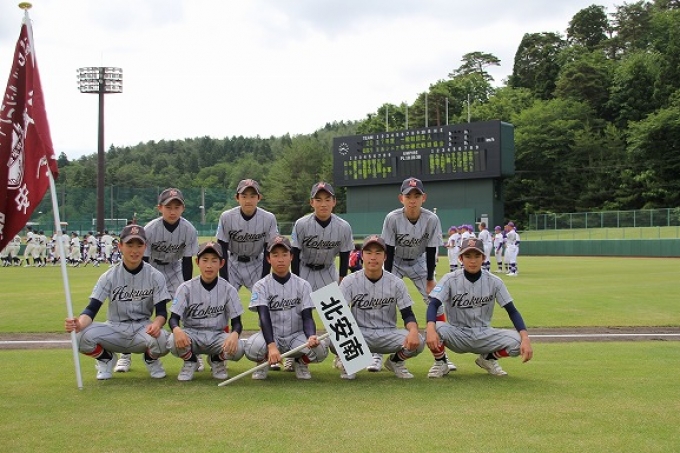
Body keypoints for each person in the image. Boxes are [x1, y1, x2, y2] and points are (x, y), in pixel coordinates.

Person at [63, 224, 171, 380]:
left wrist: (157, 324)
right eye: (129, 245)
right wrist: (79, 324)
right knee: (79, 337)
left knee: (163, 340)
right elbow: (92, 309)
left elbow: (161, 312)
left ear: (145, 247)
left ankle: (151, 359)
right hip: (114, 328)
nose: (134, 250)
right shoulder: (109, 276)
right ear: (120, 246)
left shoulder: (155, 276)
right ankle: (106, 359)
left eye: (139, 245)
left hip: (142, 328)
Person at [115, 188, 199, 373]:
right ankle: (125, 354)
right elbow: (143, 259)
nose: (172, 211)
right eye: (168, 207)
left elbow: (187, 261)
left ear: (183, 208)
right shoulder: (150, 229)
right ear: (160, 208)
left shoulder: (189, 229)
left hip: (175, 268)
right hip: (151, 268)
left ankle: (193, 350)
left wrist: (187, 288)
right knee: (136, 306)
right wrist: (141, 283)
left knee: (187, 306)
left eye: (177, 207)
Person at [426, 238, 533, 378]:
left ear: (484, 258)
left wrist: (525, 338)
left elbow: (512, 311)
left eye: (477, 256)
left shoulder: (495, 281)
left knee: (518, 341)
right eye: (468, 256)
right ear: (460, 258)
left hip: (484, 334)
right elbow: (433, 304)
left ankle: (488, 359)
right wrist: (430, 328)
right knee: (434, 327)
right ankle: (441, 363)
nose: (473, 261)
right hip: (457, 334)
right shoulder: (449, 279)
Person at [380, 176, 455, 374]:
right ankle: (377, 353)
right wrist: (387, 279)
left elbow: (431, 250)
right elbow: (388, 250)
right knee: (383, 300)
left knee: (436, 302)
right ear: (401, 198)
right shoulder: (392, 218)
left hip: (420, 262)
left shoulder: (431, 219)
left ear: (424, 198)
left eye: (416, 196)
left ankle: (442, 354)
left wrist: (430, 279)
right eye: (408, 196)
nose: (412, 200)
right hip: (395, 262)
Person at [334, 235, 424, 380]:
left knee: (419, 341)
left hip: (388, 334)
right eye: (368, 252)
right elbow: (338, 316)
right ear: (362, 255)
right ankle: (350, 362)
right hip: (360, 335)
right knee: (332, 338)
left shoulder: (396, 283)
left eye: (378, 253)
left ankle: (395, 361)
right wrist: (345, 341)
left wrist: (413, 330)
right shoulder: (349, 281)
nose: (373, 257)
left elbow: (407, 314)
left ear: (385, 257)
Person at [244, 235, 328, 380]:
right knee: (252, 348)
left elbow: (307, 317)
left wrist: (311, 336)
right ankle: (263, 362)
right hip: (272, 336)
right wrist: (271, 346)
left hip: (296, 336)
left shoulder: (303, 285)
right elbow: (263, 317)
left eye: (284, 254)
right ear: (268, 259)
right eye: (275, 255)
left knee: (320, 349)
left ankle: (301, 362)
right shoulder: (260, 285)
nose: (280, 259)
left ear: (291, 257)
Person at [289, 181, 353, 371]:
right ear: (312, 202)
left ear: (334, 201)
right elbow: (294, 253)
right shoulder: (301, 224)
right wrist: (295, 280)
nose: (323, 203)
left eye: (327, 199)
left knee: (338, 316)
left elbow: (345, 254)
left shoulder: (343, 226)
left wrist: (342, 278)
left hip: (327, 271)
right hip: (304, 270)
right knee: (296, 315)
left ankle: (343, 356)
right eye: (318, 199)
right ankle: (292, 356)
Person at [168, 241, 245, 381]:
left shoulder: (229, 289)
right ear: (197, 262)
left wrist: (234, 334)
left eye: (214, 261)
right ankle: (190, 361)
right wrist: (177, 329)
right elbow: (173, 318)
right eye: (205, 260)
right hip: (192, 335)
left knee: (238, 347)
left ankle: (216, 359)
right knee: (172, 339)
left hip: (217, 336)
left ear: (221, 263)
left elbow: (237, 323)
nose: (209, 265)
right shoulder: (185, 288)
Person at [216, 179, 278, 292]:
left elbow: (269, 249)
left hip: (257, 264)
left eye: (252, 196)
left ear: (259, 198)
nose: (248, 200)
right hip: (232, 264)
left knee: (263, 299)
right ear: (237, 198)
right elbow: (222, 248)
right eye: (244, 196)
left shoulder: (269, 218)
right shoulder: (226, 217)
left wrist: (264, 278)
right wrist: (224, 280)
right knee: (224, 300)